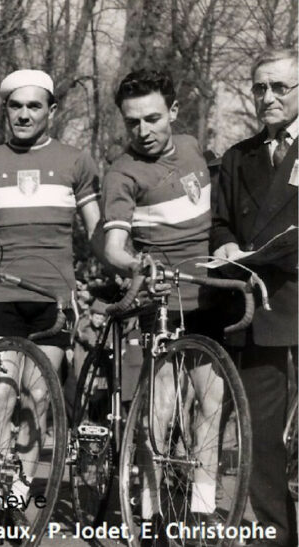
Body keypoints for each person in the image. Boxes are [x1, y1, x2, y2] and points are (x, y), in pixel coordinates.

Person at [101, 68, 224, 537]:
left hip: (208, 294)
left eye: (152, 118)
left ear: (173, 111)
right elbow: (114, 247)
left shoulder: (193, 147)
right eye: (132, 122)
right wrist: (138, 265)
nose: (143, 131)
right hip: (162, 299)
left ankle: (203, 508)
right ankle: (152, 512)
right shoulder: (122, 172)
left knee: (212, 400)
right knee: (161, 409)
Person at [211, 48, 298, 547]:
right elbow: (221, 221)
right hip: (260, 308)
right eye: (260, 87)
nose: (268, 97)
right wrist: (224, 244)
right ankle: (274, 536)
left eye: (280, 87)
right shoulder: (237, 157)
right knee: (261, 437)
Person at [0, 68, 100, 373]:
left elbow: (95, 230)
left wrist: (110, 272)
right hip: (1, 295)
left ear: (52, 111)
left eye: (34, 106)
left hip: (55, 296)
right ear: (5, 109)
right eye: (16, 106)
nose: (23, 115)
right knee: (1, 390)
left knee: (38, 393)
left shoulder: (76, 161)